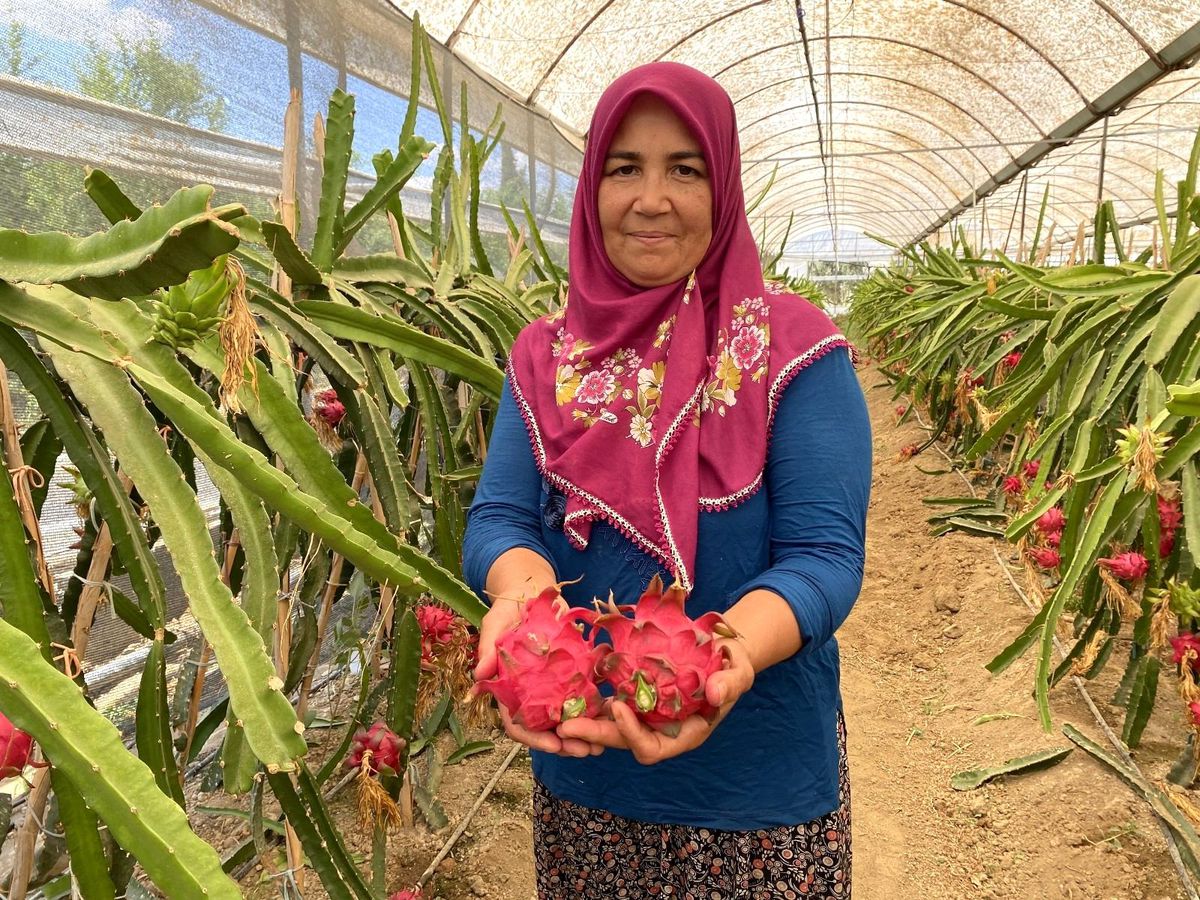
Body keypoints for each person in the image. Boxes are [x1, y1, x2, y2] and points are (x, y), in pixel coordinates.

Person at [463, 61, 870, 899]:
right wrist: (527, 609)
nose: (652, 199)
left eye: (685, 169)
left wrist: (727, 657)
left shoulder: (794, 347)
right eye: (625, 168)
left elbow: (824, 557)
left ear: (722, 187)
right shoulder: (546, 356)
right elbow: (499, 517)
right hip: (584, 776)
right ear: (591, 188)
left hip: (760, 793)